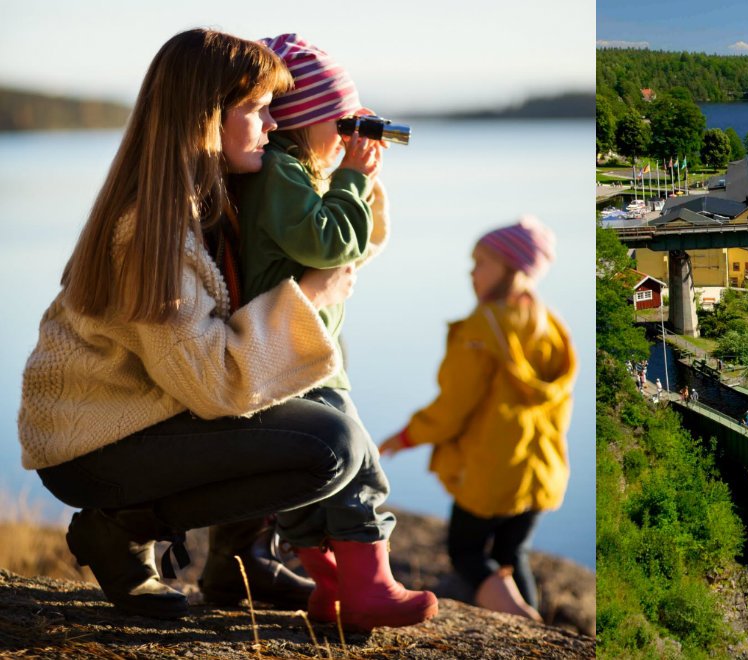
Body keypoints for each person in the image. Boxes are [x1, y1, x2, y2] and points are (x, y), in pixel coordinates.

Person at [17, 29, 436, 628]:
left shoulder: (209, 197)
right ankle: (120, 527)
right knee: (330, 445)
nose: (274, 123)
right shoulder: (152, 235)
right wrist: (309, 297)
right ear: (207, 117)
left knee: (298, 411)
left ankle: (242, 559)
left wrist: (350, 174)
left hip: (145, 418)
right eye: (259, 109)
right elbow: (215, 386)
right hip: (92, 444)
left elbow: (332, 254)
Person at [216, 33, 435, 629]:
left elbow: (353, 246)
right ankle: (370, 588)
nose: (347, 134)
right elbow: (332, 243)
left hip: (289, 351)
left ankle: (332, 588)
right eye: (340, 122)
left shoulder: (286, 172)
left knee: (307, 480)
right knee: (358, 462)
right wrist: (352, 177)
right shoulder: (279, 174)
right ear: (303, 119)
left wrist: (350, 173)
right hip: (295, 351)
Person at [380, 217, 574, 622]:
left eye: (481, 262)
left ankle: (522, 620)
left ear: (512, 268)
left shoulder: (483, 327)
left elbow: (453, 408)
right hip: (540, 469)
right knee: (511, 552)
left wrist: (407, 436)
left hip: (492, 471)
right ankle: (534, 626)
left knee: (466, 552)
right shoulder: (552, 325)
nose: (472, 272)